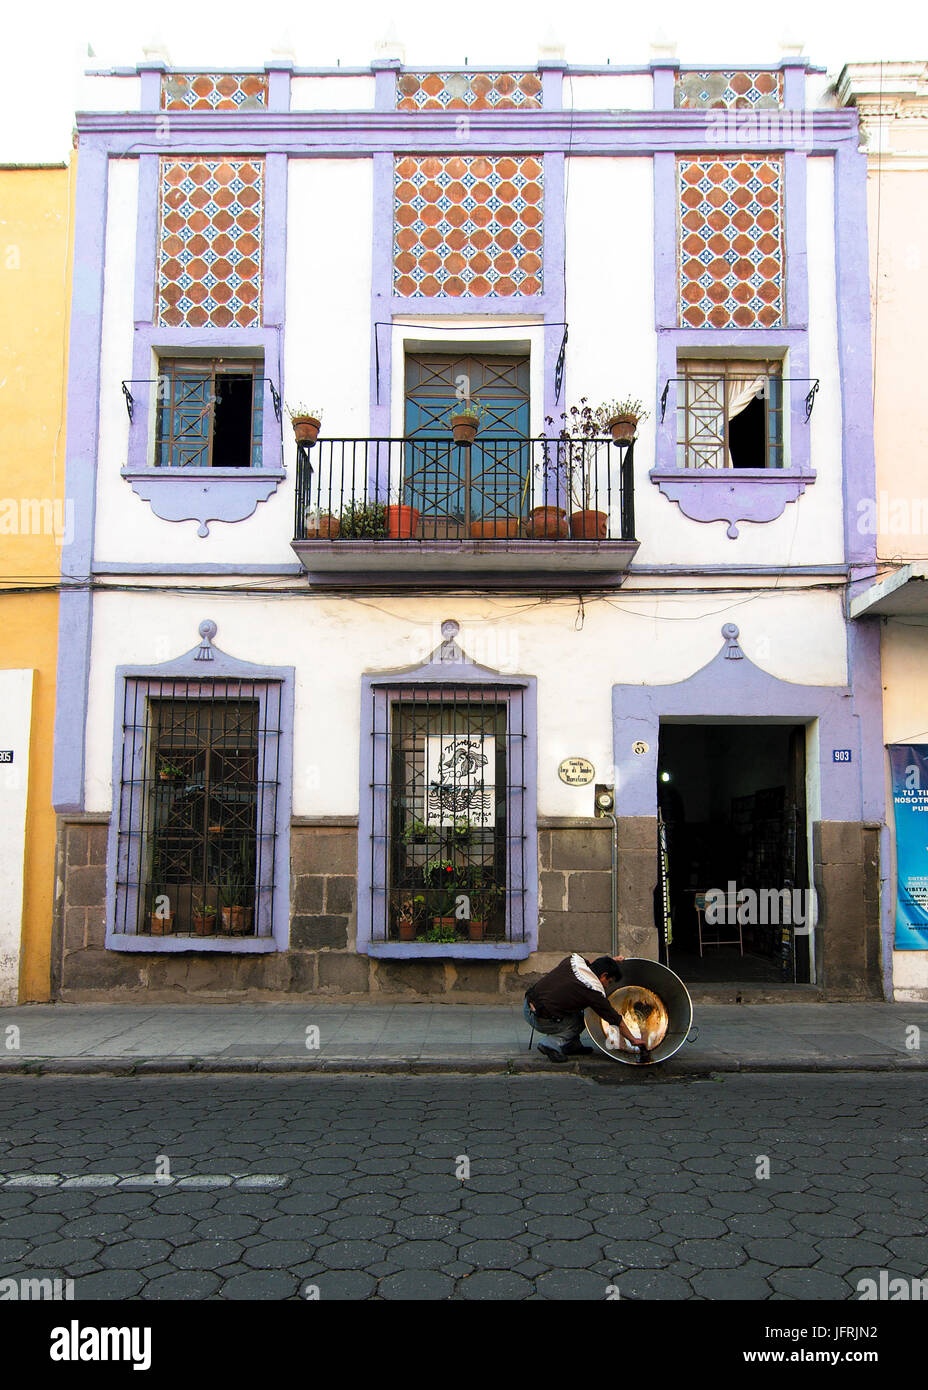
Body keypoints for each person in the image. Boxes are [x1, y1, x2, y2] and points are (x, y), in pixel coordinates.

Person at [523, 953, 646, 1062]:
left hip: (528, 1005)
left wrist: (612, 962)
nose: (607, 986)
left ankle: (572, 1045)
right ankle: (551, 1044)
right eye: (609, 982)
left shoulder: (574, 960)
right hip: (540, 1018)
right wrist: (633, 1040)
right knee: (580, 1021)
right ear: (604, 976)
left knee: (577, 1010)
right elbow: (616, 1019)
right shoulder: (592, 991)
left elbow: (593, 963)